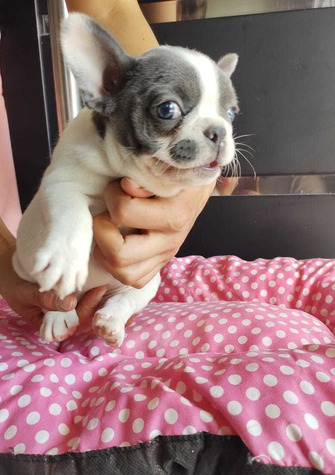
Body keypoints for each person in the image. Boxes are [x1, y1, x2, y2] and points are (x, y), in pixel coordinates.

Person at [0, 0, 215, 332]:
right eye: (168, 110)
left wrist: (194, 189)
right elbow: (64, 189)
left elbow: (113, 8)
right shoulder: (84, 151)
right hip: (32, 255)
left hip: (115, 279)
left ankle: (117, 309)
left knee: (147, 285)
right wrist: (4, 259)